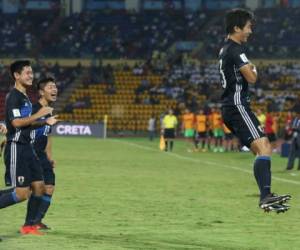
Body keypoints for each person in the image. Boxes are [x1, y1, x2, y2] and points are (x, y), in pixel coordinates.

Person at [218, 9, 290, 213]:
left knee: (262, 148)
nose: (250, 31)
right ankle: (265, 196)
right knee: (265, 148)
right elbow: (252, 77)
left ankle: (266, 195)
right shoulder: (236, 50)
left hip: (232, 107)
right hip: (237, 106)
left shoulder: (225, 49)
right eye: (248, 27)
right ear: (237, 28)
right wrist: (254, 68)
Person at [0, 60, 58, 235]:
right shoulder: (14, 96)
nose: (31, 75)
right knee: (21, 194)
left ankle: (29, 225)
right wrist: (40, 115)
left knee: (40, 186)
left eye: (31, 72)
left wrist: (43, 122)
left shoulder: (25, 98)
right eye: (27, 73)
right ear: (16, 76)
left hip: (27, 149)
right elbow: (16, 123)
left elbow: (26, 125)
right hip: (17, 147)